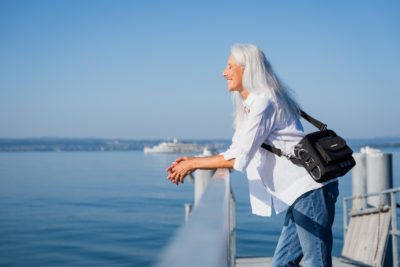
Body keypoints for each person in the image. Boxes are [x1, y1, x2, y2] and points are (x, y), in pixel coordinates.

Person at [166, 44, 339, 267]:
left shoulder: (264, 101)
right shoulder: (254, 104)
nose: (223, 72)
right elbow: (237, 150)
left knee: (316, 262)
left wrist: (194, 165)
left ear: (247, 70)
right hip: (302, 193)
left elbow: (240, 158)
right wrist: (192, 161)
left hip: (311, 190)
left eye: (230, 67)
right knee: (282, 263)